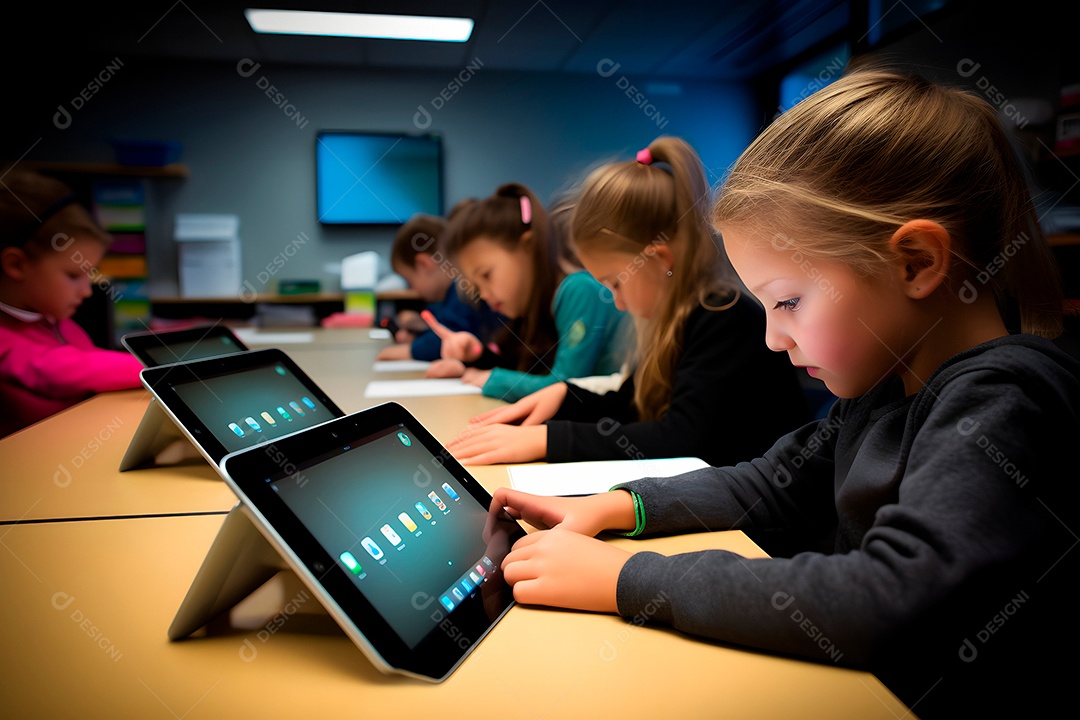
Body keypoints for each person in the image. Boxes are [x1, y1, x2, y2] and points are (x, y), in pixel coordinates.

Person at [487, 67, 1080, 718]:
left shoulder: (1003, 400)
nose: (773, 338)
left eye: (789, 301)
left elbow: (890, 596)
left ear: (915, 263)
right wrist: (616, 506)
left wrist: (628, 580)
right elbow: (770, 482)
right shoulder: (885, 384)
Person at [445, 136, 811, 467]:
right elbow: (631, 407)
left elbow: (682, 438)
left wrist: (549, 439)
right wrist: (565, 396)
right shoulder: (677, 319)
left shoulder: (724, 318)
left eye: (615, 283)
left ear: (659, 259)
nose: (617, 303)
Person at [424, 182, 631, 403]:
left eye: (486, 275)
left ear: (528, 247)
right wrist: (476, 355)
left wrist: (492, 380)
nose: (483, 294)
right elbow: (528, 372)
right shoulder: (532, 308)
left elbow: (564, 388)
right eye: (476, 286)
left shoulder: (578, 291)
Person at [0, 169, 143, 437]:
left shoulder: (57, 322)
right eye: (74, 275)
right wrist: (162, 367)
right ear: (16, 264)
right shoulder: (5, 342)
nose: (87, 291)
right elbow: (62, 369)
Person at [373, 212, 502, 362]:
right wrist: (419, 331)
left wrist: (411, 350)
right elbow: (443, 325)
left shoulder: (461, 290)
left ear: (424, 264)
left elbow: (450, 335)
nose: (413, 290)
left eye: (410, 281)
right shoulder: (448, 296)